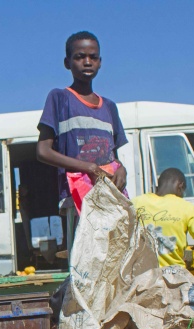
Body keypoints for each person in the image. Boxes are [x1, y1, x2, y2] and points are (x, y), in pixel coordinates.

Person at [37, 31, 128, 253]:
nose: (87, 61)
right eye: (79, 56)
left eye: (93, 56)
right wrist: (88, 167)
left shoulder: (109, 107)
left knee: (113, 261)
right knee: (84, 263)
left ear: (100, 62)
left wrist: (122, 169)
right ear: (67, 62)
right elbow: (42, 151)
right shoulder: (59, 98)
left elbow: (112, 155)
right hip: (77, 199)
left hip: (108, 198)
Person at [133, 168, 194, 267]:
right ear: (180, 186)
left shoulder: (135, 203)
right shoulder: (186, 208)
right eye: (183, 192)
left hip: (141, 276)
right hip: (173, 277)